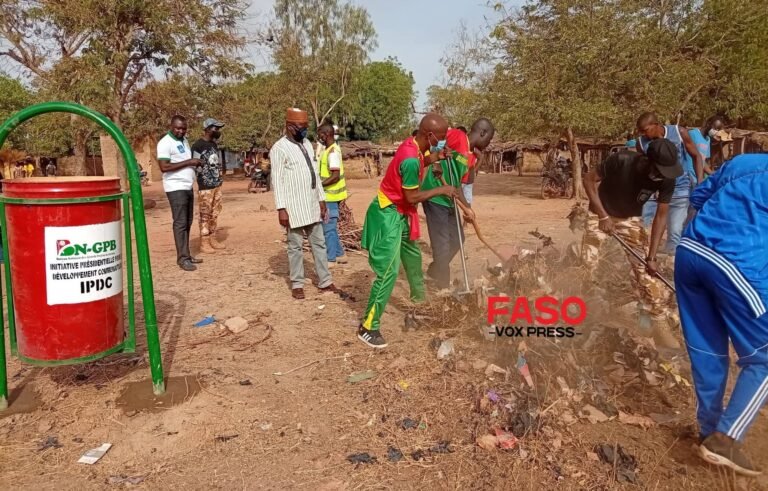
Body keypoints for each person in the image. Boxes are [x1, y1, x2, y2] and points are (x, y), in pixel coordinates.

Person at [675, 153, 768, 477]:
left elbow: (698, 196)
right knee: (765, 356)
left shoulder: (744, 162)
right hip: (737, 261)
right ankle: (724, 439)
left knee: (709, 350)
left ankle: (708, 430)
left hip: (690, 253)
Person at [357, 113, 459, 349]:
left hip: (401, 212)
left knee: (412, 256)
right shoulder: (410, 158)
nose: (444, 141)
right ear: (430, 135)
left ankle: (419, 301)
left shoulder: (414, 145)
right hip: (388, 214)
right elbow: (412, 196)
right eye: (442, 138)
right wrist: (442, 189)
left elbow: (421, 161)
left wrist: (437, 156)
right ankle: (368, 327)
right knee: (388, 271)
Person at [582, 139, 683, 349]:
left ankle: (659, 324)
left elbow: (661, 216)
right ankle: (587, 318)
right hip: (599, 214)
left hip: (631, 220)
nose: (662, 175)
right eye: (659, 170)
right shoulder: (620, 160)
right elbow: (588, 180)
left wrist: (652, 257)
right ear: (647, 160)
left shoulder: (666, 178)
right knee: (588, 266)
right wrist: (602, 216)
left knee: (646, 273)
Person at [270, 108, 336, 300]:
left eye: (306, 126)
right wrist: (281, 209)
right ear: (290, 126)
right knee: (295, 247)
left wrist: (321, 199)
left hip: (312, 203)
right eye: (301, 126)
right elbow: (278, 181)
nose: (305, 130)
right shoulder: (279, 148)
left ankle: (325, 280)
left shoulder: (307, 143)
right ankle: (297, 283)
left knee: (319, 244)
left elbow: (314, 173)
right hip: (293, 207)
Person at [421, 119, 495, 290]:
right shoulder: (458, 136)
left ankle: (435, 270)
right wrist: (436, 162)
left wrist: (468, 208)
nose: (488, 144)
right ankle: (443, 286)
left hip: (450, 198)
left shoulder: (470, 156)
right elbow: (433, 140)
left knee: (458, 239)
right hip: (435, 195)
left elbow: (462, 185)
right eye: (489, 140)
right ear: (482, 133)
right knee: (442, 243)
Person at [636, 112, 705, 254]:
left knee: (674, 232)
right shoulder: (641, 144)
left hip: (680, 189)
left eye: (645, 130)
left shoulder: (679, 133)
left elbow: (696, 156)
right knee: (644, 230)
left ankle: (671, 266)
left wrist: (700, 182)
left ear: (656, 125)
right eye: (640, 131)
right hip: (656, 191)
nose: (643, 134)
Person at [157, 115, 203, 272]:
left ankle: (187, 254)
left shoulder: (184, 140)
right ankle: (182, 258)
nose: (181, 131)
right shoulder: (165, 143)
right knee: (180, 222)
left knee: (188, 221)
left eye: (183, 128)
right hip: (175, 187)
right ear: (171, 126)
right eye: (177, 128)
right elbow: (164, 167)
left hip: (187, 186)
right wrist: (190, 162)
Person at [192, 118, 227, 253]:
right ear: (207, 129)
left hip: (216, 184)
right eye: (215, 128)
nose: (217, 131)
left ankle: (212, 238)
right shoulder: (198, 145)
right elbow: (195, 164)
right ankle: (204, 242)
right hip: (205, 186)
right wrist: (203, 177)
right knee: (205, 214)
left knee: (215, 213)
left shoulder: (213, 145)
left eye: (218, 129)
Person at [317, 123, 348, 266]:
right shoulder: (329, 150)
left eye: (320, 134)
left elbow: (335, 176)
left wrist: (319, 185)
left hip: (330, 196)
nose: (319, 137)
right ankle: (340, 254)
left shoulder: (332, 152)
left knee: (328, 228)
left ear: (326, 134)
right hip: (330, 196)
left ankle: (331, 259)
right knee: (331, 227)